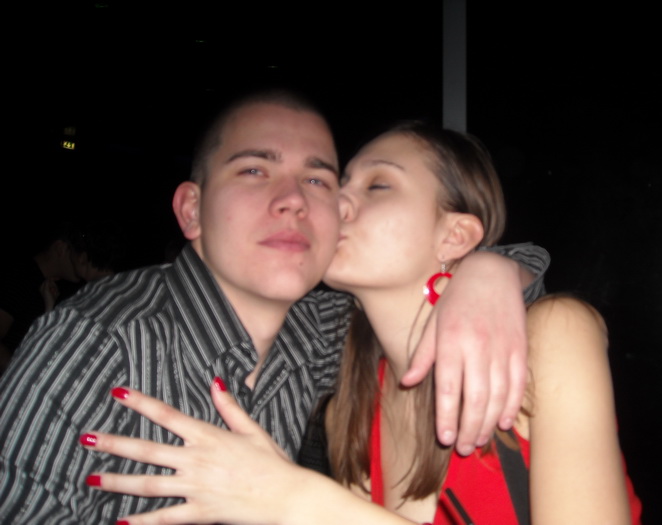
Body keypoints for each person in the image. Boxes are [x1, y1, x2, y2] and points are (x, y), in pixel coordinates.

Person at [0, 89, 549, 523]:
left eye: (316, 179)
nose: (294, 200)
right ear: (191, 211)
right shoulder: (96, 341)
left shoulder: (320, 332)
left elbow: (430, 283)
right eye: (255, 170)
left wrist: (488, 269)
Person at [81, 121, 641, 525]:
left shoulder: (555, 336)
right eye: (337, 186)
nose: (334, 205)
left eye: (377, 186)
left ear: (455, 235)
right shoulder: (351, 394)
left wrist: (291, 499)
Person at [0, 218, 125, 373]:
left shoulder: (69, 288)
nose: (79, 257)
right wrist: (18, 372)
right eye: (77, 248)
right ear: (61, 248)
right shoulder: (18, 277)